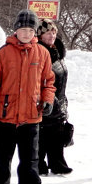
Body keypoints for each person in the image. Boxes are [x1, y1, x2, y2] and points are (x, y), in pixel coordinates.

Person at [0, 9, 55, 184]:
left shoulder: (43, 53)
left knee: (30, 161)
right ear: (16, 30)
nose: (26, 33)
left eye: (30, 29)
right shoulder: (2, 53)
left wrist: (48, 99)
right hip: (5, 117)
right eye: (23, 29)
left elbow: (49, 81)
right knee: (2, 157)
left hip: (31, 117)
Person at [36, 19, 72, 175]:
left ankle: (57, 163)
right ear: (40, 35)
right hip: (45, 99)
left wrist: (62, 101)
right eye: (48, 33)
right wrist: (51, 100)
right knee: (42, 133)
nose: (51, 36)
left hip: (59, 98)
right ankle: (39, 164)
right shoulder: (39, 52)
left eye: (54, 32)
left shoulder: (57, 51)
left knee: (57, 132)